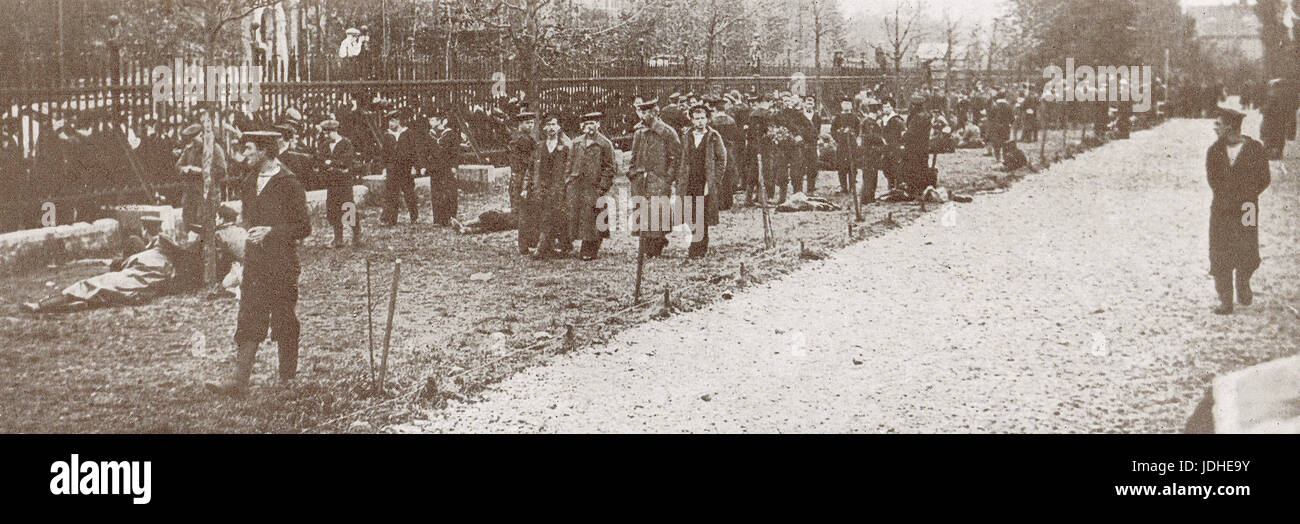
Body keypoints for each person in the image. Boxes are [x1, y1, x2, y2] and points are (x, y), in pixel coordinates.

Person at [208, 131, 311, 397]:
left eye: (248, 149)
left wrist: (271, 232)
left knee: (284, 318)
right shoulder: (248, 181)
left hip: (281, 264)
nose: (244, 154)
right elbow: (250, 219)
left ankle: (287, 380)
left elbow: (304, 227)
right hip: (255, 263)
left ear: (265, 150)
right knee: (249, 316)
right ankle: (239, 381)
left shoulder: (289, 182)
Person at [1206, 108, 1271, 315]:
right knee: (1220, 250)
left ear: (1230, 127)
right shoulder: (1214, 151)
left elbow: (1264, 178)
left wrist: (1247, 195)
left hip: (1248, 207)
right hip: (1222, 208)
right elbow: (1213, 179)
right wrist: (1228, 197)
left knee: (1248, 247)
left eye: (1218, 124)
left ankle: (1243, 282)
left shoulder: (1255, 149)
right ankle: (1225, 299)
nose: (1215, 128)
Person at [628, 97, 681, 257]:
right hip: (640, 178)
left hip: (659, 178)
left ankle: (657, 243)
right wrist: (632, 172)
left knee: (658, 212)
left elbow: (676, 157)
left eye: (646, 112)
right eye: (641, 112)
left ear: (654, 113)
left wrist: (668, 178)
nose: (643, 115)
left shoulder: (667, 132)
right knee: (642, 210)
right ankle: (646, 243)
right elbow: (634, 154)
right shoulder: (639, 132)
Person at [676, 104, 726, 258]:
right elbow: (680, 158)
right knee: (689, 213)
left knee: (702, 214)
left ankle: (698, 248)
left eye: (702, 118)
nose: (700, 122)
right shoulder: (686, 136)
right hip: (688, 180)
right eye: (696, 118)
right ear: (691, 120)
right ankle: (697, 242)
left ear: (707, 119)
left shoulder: (713, 137)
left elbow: (722, 160)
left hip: (704, 181)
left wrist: (714, 180)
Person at [566, 112, 617, 261]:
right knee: (578, 216)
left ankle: (590, 248)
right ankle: (576, 243)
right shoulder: (576, 143)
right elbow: (569, 163)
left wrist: (602, 187)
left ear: (598, 125)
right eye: (587, 124)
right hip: (577, 186)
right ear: (582, 127)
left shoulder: (604, 144)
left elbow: (610, 168)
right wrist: (568, 180)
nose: (590, 127)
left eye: (593, 124)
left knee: (592, 217)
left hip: (593, 186)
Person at [523, 113, 571, 259]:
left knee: (556, 215)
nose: (551, 128)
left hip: (558, 187)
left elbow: (570, 168)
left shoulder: (566, 147)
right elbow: (530, 169)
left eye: (554, 125)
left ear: (559, 127)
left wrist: (567, 186)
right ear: (544, 128)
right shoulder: (538, 147)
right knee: (544, 216)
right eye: (548, 125)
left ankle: (544, 247)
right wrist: (526, 187)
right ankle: (554, 245)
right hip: (541, 187)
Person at [174, 123, 228, 231]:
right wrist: (184, 169)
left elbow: (222, 171)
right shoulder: (189, 149)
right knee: (189, 226)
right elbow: (178, 166)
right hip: (190, 196)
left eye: (196, 140)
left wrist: (200, 172)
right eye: (192, 141)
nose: (194, 144)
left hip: (208, 196)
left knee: (205, 228)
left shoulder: (214, 149)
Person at [318, 119, 360, 247]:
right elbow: (320, 160)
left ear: (335, 131)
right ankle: (338, 238)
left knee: (348, 206)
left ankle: (356, 234)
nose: (326, 136)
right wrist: (331, 164)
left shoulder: (346, 143)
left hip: (344, 183)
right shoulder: (325, 145)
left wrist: (330, 163)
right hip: (332, 183)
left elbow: (346, 162)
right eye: (325, 134)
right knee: (333, 209)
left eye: (328, 133)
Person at [380, 110, 419, 225]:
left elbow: (414, 151)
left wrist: (414, 166)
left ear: (397, 121)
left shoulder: (408, 133)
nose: (390, 124)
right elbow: (384, 154)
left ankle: (414, 217)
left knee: (409, 193)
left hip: (406, 168)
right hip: (392, 169)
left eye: (392, 122)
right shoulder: (387, 135)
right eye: (389, 122)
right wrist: (384, 168)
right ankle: (392, 219)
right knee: (392, 193)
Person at [508, 111, 538, 254]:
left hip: (518, 177)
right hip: (522, 177)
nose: (530, 125)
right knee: (525, 211)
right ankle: (525, 244)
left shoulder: (519, 136)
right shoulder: (523, 139)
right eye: (527, 123)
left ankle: (526, 243)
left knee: (524, 211)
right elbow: (529, 161)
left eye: (532, 122)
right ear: (520, 124)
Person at [424, 109, 460, 226]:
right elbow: (426, 151)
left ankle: (451, 217)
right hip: (435, 167)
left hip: (447, 167)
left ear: (440, 121)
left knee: (450, 191)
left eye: (433, 120)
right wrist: (426, 165)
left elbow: (455, 152)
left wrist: (454, 166)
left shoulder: (450, 133)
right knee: (437, 192)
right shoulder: (430, 135)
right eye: (429, 120)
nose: (431, 122)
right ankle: (439, 219)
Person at [831, 97, 858, 195]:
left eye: (848, 103)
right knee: (842, 167)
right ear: (841, 105)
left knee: (852, 166)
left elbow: (858, 129)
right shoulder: (838, 117)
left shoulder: (855, 117)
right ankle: (843, 187)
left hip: (852, 145)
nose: (846, 105)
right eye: (844, 103)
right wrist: (838, 138)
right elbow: (833, 130)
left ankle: (852, 186)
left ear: (851, 105)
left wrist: (852, 135)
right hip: (841, 145)